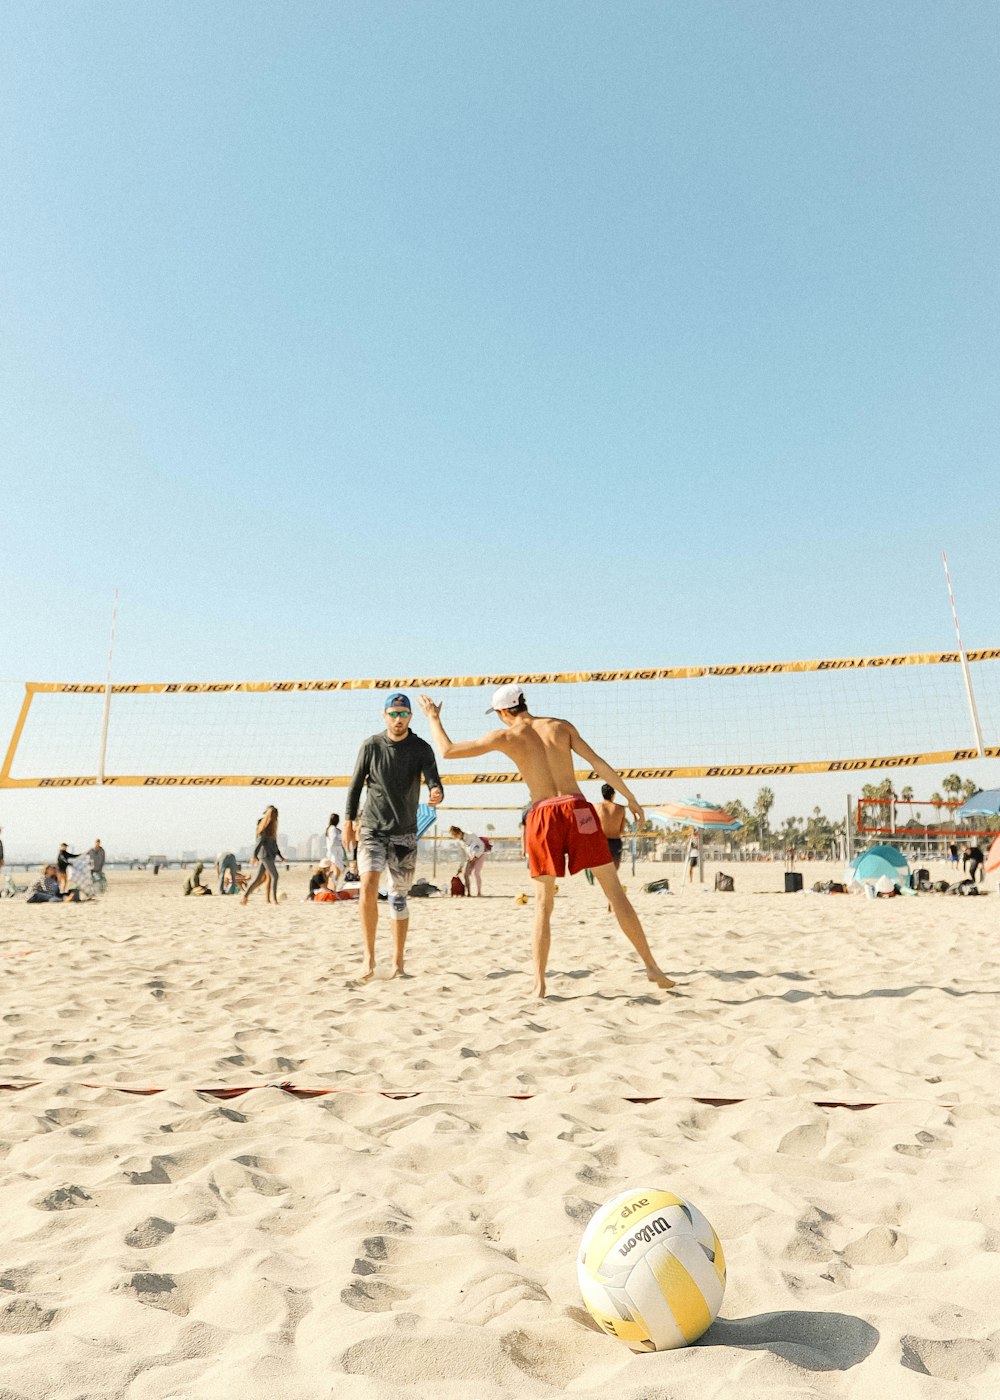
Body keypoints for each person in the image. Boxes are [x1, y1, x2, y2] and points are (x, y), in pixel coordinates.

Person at [418, 686, 673, 999]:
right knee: (615, 893)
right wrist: (630, 797)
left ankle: (538, 983)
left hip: (543, 814)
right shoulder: (560, 726)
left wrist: (433, 718)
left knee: (543, 904)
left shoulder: (505, 736)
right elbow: (598, 763)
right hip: (578, 807)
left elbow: (447, 750)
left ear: (502, 712)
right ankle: (651, 966)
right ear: (523, 703)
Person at [343, 693, 444, 982]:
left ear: (410, 717)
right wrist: (349, 820)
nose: (397, 719)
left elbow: (434, 779)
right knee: (368, 884)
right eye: (393, 713)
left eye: (402, 714)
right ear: (384, 715)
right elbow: (354, 786)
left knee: (398, 898)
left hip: (404, 832)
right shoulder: (371, 746)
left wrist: (436, 792)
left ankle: (398, 963)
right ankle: (369, 958)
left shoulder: (421, 748)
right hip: (372, 828)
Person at [240, 806, 284, 905]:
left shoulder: (272, 828)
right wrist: (254, 855)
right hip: (265, 856)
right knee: (275, 876)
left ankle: (245, 897)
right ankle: (274, 900)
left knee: (258, 878)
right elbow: (259, 843)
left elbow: (274, 844)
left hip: (269, 856)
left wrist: (280, 856)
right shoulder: (264, 828)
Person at [596, 783, 628, 870]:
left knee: (602, 870)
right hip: (615, 841)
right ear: (612, 795)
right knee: (614, 871)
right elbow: (621, 830)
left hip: (601, 840)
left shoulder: (597, 807)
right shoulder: (621, 809)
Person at [449, 825, 487, 895]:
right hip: (470, 858)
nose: (456, 837)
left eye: (455, 835)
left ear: (459, 832)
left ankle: (479, 892)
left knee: (476, 873)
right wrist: (460, 867)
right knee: (466, 875)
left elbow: (481, 845)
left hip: (480, 855)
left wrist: (476, 856)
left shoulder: (470, 834)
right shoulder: (459, 842)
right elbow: (462, 856)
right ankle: (469, 893)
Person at [325, 814, 345, 889]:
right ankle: (333, 887)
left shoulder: (332, 828)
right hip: (335, 851)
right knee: (337, 870)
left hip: (335, 851)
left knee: (335, 870)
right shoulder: (332, 828)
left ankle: (332, 887)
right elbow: (333, 840)